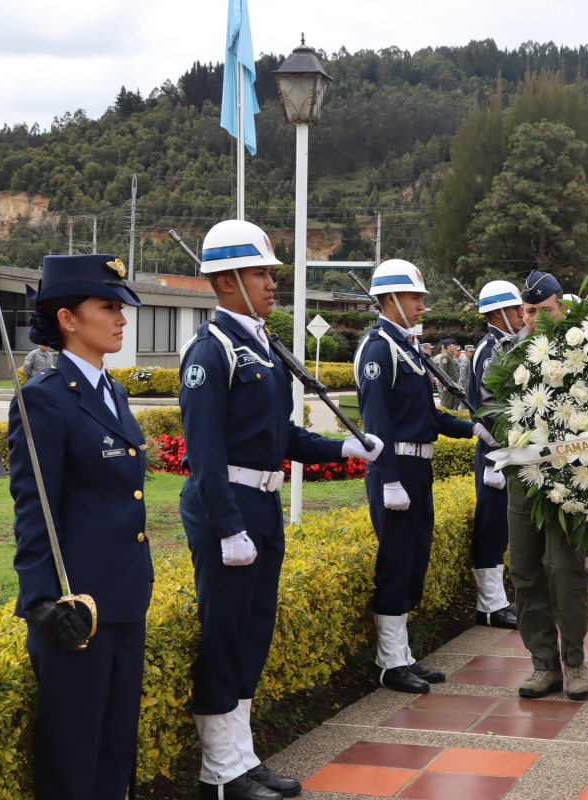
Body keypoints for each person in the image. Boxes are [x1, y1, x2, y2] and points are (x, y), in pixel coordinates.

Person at [179, 220, 384, 800]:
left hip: (262, 503)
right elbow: (206, 454)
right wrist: (227, 526)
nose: (272, 283)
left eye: (270, 272)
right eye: (261, 273)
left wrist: (340, 447)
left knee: (253, 633)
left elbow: (279, 436)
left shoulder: (261, 346)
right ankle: (219, 771)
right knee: (225, 635)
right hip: (230, 509)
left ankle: (241, 758)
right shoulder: (211, 351)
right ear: (226, 282)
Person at [8, 253, 153, 800]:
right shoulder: (44, 402)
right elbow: (34, 507)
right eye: (108, 307)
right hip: (76, 606)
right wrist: (43, 600)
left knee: (116, 746)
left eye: (121, 308)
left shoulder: (110, 392)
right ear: (68, 318)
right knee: (73, 752)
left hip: (122, 597)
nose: (121, 319)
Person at [354, 260, 497, 694]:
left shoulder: (406, 348)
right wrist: (389, 478)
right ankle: (389, 661)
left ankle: (404, 654)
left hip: (419, 466)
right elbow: (376, 421)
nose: (421, 306)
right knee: (396, 562)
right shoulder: (378, 348)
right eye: (416, 298)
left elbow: (426, 415)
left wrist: (470, 427)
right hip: (395, 468)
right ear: (391, 299)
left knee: (414, 561)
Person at [481, 270, 588, 701]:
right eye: (529, 311)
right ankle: (543, 664)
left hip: (569, 480)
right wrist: (522, 433)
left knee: (565, 570)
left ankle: (576, 661)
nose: (535, 319)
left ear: (561, 308)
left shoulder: (585, 353)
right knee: (526, 572)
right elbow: (488, 407)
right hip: (523, 480)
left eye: (545, 310)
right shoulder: (505, 355)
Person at [467, 280, 525, 629]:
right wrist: (498, 451)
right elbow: (488, 409)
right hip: (495, 451)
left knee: (502, 525)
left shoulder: (505, 345)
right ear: (500, 311)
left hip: (504, 450)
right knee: (491, 526)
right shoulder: (489, 349)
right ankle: (489, 604)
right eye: (518, 308)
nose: (522, 315)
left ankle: (498, 599)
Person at [437, 338, 462, 409]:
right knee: (447, 405)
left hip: (452, 384)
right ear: (448, 347)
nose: (455, 347)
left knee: (452, 405)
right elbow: (443, 372)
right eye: (453, 345)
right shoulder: (445, 357)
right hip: (449, 385)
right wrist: (445, 384)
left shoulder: (450, 356)